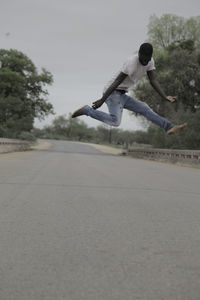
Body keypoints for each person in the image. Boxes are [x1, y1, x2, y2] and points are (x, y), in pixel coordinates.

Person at [72, 43, 187, 135]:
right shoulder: (131, 63)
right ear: (139, 54)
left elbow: (153, 80)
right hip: (112, 92)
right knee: (115, 121)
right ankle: (87, 110)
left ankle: (169, 127)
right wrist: (102, 100)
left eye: (147, 59)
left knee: (145, 109)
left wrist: (164, 96)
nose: (145, 61)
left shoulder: (150, 61)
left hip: (123, 95)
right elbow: (116, 82)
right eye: (143, 59)